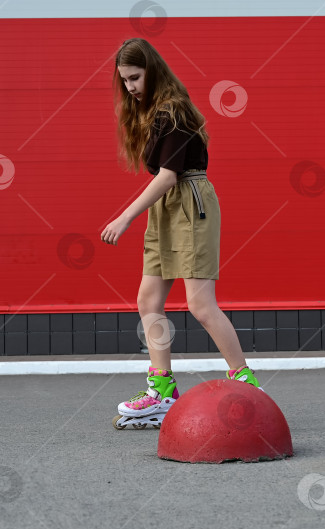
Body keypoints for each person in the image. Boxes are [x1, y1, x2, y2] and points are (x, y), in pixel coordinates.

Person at [102, 38, 261, 430]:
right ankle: (162, 389)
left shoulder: (172, 110)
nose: (130, 87)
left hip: (189, 202)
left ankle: (246, 382)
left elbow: (169, 175)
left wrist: (124, 217)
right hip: (165, 208)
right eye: (124, 81)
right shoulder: (151, 111)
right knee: (148, 298)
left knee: (200, 304)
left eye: (135, 78)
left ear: (152, 71)